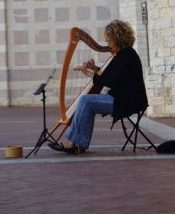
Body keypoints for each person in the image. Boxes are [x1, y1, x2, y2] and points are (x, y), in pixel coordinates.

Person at [48, 20, 148, 154]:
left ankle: (75, 143)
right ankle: (77, 143)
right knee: (86, 101)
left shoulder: (125, 55)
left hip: (126, 102)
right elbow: (111, 76)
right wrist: (94, 68)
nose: (107, 42)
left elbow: (107, 81)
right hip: (125, 99)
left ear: (116, 38)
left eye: (109, 39)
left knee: (86, 101)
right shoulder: (126, 54)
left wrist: (87, 72)